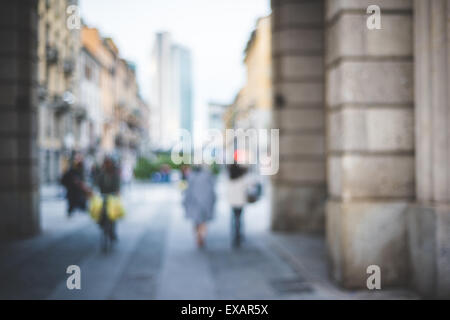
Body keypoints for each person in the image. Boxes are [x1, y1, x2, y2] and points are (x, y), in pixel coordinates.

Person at [182, 165, 216, 248]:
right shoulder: (207, 176)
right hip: (203, 202)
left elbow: (187, 191)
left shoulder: (191, 176)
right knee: (202, 221)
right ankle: (200, 237)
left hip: (195, 203)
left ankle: (199, 237)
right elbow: (212, 190)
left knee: (196, 221)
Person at [96, 156, 121, 241]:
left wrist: (117, 192)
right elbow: (97, 184)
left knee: (112, 215)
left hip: (113, 196)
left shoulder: (115, 174)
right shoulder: (101, 174)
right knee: (99, 211)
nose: (107, 165)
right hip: (103, 195)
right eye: (106, 163)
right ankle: (101, 224)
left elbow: (118, 185)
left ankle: (112, 232)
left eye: (108, 163)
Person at [227, 162, 250, 248]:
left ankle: (234, 235)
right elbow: (249, 185)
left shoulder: (230, 179)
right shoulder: (241, 179)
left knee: (233, 219)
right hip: (240, 202)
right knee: (239, 219)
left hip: (233, 202)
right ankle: (239, 235)